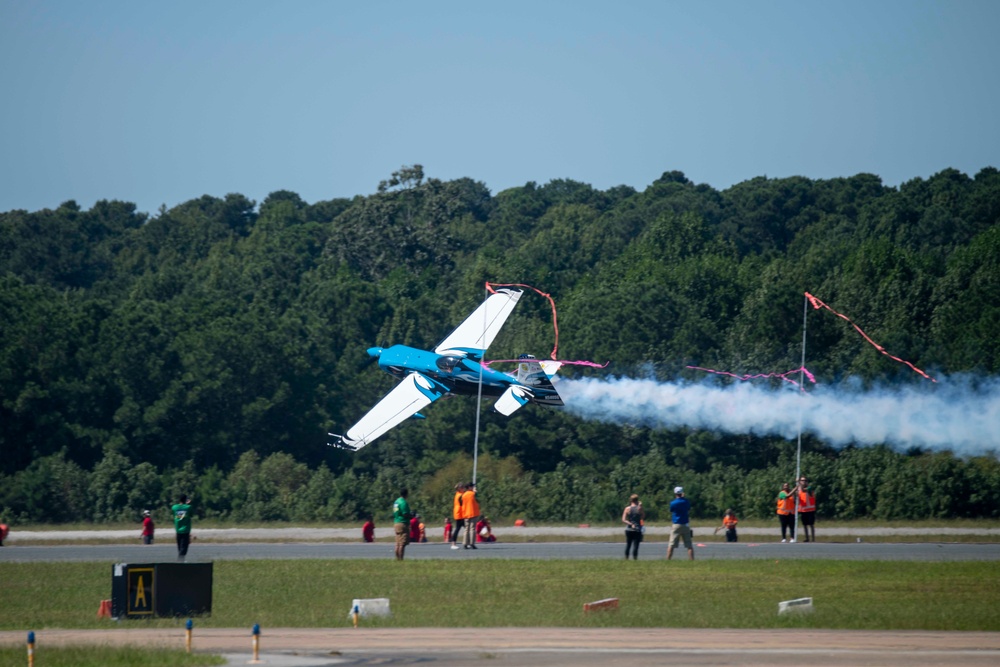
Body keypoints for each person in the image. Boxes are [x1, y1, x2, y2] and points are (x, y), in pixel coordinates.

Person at [666, 486, 694, 560]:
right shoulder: (686, 501)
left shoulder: (673, 503)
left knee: (671, 544)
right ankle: (692, 560)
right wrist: (684, 498)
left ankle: (668, 560)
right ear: (682, 493)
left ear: (675, 493)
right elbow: (688, 508)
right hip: (685, 523)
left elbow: (671, 510)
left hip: (676, 524)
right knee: (689, 545)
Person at [622, 493, 645, 560]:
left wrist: (630, 524)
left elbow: (623, 520)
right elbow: (643, 517)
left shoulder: (627, 508)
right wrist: (641, 507)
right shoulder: (639, 508)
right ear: (637, 500)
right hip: (637, 529)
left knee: (628, 545)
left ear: (631, 500)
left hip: (629, 529)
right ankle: (635, 559)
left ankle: (626, 558)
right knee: (636, 546)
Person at [171, 494, 193, 561]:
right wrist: (187, 504)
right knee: (183, 550)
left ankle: (181, 562)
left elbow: (174, 511)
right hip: (185, 531)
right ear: (186, 500)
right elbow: (191, 515)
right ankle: (179, 562)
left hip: (178, 531)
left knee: (180, 549)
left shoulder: (174, 507)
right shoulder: (188, 507)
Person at [393, 489, 412, 561]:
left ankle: (397, 559)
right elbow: (405, 514)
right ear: (406, 494)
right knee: (402, 544)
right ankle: (401, 559)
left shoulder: (396, 502)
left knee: (397, 543)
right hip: (403, 523)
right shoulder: (403, 502)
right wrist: (411, 516)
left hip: (396, 522)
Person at [461, 481, 481, 549]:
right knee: (472, 528)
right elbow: (478, 500)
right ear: (469, 487)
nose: (473, 487)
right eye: (472, 486)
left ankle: (465, 543)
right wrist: (475, 492)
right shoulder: (473, 494)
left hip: (466, 513)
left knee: (466, 529)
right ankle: (472, 543)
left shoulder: (464, 495)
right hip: (473, 513)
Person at [797, 477, 817, 542]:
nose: (804, 481)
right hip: (803, 510)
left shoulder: (809, 488)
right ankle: (807, 538)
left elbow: (804, 490)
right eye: (802, 480)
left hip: (810, 510)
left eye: (805, 480)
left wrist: (799, 483)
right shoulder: (798, 489)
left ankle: (813, 539)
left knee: (811, 524)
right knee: (805, 525)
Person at [449, 483, 465, 550]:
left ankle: (467, 542)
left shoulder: (458, 494)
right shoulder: (460, 495)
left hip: (459, 513)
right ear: (459, 489)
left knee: (466, 528)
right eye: (462, 488)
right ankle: (453, 543)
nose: (464, 489)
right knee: (458, 529)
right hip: (459, 514)